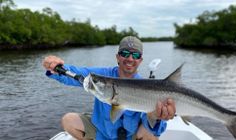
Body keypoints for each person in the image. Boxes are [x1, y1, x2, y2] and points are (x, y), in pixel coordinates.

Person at [43, 36, 176, 140]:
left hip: (130, 135)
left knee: (152, 134)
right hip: (101, 132)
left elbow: (153, 125)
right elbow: (76, 74)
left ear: (140, 60)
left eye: (135, 55)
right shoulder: (102, 75)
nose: (130, 58)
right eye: (125, 53)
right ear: (117, 57)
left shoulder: (144, 85)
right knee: (69, 120)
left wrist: (158, 117)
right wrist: (55, 66)